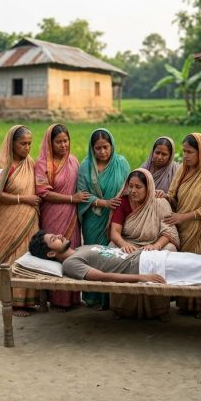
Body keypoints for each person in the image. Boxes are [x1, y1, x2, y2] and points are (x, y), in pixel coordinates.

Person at [28, 231, 201, 288]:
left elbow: (113, 256)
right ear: (51, 252)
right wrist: (141, 278)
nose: (59, 235)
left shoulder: (80, 248)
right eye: (53, 239)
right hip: (149, 267)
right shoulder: (70, 264)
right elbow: (103, 277)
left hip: (152, 257)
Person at [164, 133, 201, 319]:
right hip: (184, 227)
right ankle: (185, 303)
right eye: (183, 151)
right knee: (186, 266)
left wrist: (185, 217)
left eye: (190, 152)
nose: (185, 156)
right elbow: (174, 194)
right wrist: (165, 197)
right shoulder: (183, 169)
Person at [108, 168, 179, 319]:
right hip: (129, 242)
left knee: (170, 249)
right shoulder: (123, 202)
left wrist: (156, 246)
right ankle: (122, 309)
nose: (133, 191)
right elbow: (114, 232)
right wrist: (123, 244)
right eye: (130, 186)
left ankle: (159, 310)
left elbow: (168, 232)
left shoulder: (160, 203)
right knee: (111, 249)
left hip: (153, 243)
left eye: (138, 187)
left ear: (149, 188)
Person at [34, 124, 90, 311]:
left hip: (72, 217)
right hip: (52, 215)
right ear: (50, 143)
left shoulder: (73, 161)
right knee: (54, 255)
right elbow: (43, 192)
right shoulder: (43, 164)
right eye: (58, 142)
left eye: (66, 141)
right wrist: (71, 198)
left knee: (71, 252)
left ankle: (73, 297)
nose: (63, 145)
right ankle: (57, 299)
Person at [0, 125, 41, 317]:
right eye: (23, 144)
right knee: (12, 257)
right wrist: (23, 199)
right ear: (12, 144)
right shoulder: (3, 165)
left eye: (29, 144)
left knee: (30, 255)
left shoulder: (30, 162)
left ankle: (29, 300)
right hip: (10, 218)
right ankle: (15, 303)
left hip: (30, 218)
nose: (27, 148)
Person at [76, 128, 130, 309]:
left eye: (106, 147)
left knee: (112, 256)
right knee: (94, 256)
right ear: (92, 149)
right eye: (98, 148)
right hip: (94, 219)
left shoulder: (121, 163)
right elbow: (82, 194)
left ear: (112, 145)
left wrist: (118, 206)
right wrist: (104, 203)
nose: (103, 152)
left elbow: (129, 190)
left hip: (116, 219)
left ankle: (111, 299)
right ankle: (94, 297)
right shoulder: (86, 166)